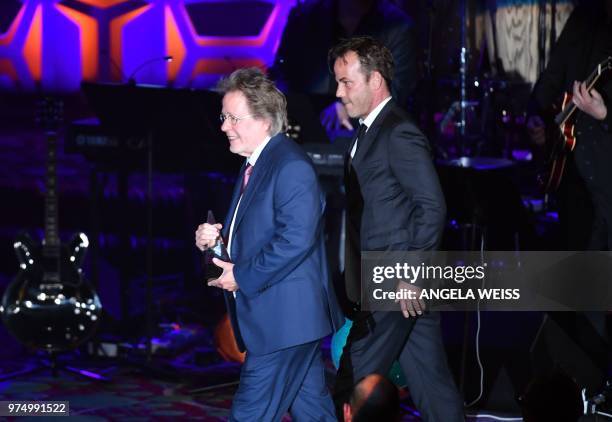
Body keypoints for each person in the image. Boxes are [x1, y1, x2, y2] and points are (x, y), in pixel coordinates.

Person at [194, 68, 344, 421]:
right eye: (223, 116)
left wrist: (242, 277)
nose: (224, 126)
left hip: (284, 322)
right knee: (314, 413)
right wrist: (216, 242)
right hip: (290, 321)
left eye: (233, 118)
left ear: (263, 120)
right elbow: (257, 235)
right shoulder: (258, 163)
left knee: (250, 414)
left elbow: (294, 241)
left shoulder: (290, 166)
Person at [329, 36, 464, 421]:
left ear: (376, 81)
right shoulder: (370, 131)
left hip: (396, 280)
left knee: (352, 378)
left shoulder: (398, 132)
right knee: (430, 383)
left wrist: (410, 275)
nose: (338, 92)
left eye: (346, 82)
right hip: (396, 280)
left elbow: (432, 206)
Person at [527, 0, 612, 251]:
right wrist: (536, 116)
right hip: (571, 164)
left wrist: (606, 114)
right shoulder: (584, 15)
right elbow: (553, 74)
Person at [271, 0, 418, 131]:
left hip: (367, 139)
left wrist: (349, 107)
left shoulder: (398, 26)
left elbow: (395, 92)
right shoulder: (303, 17)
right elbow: (282, 73)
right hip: (303, 132)